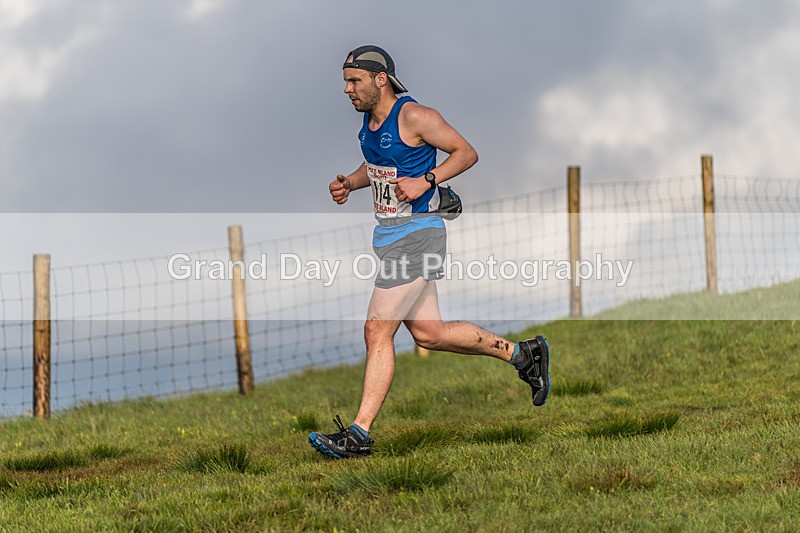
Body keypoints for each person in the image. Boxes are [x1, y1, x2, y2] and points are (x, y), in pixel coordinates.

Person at [308, 45, 550, 459]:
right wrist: (350, 182)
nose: (347, 89)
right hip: (390, 237)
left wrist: (428, 180)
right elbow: (378, 166)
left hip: (419, 236)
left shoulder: (416, 117)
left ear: (380, 79)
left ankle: (358, 434)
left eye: (354, 81)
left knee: (376, 329)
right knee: (429, 334)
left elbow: (466, 153)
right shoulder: (369, 123)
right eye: (346, 81)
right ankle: (523, 355)